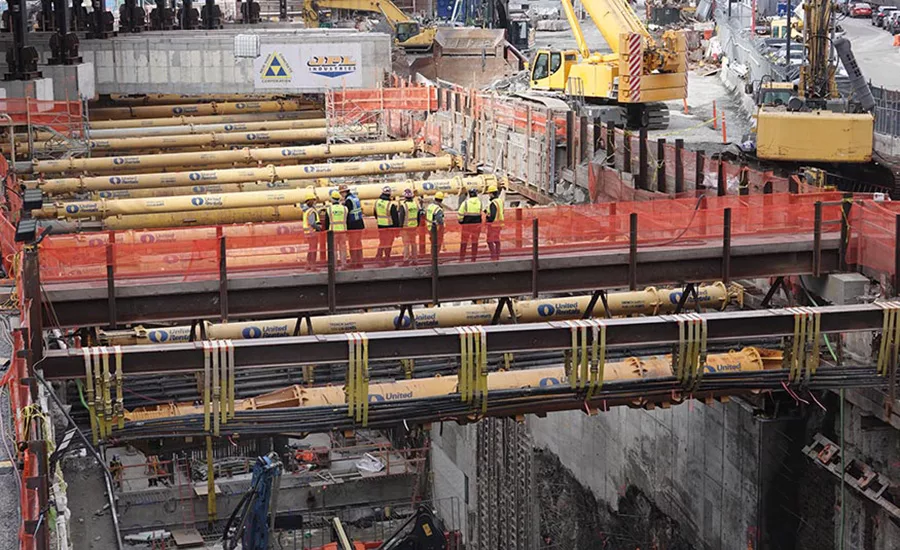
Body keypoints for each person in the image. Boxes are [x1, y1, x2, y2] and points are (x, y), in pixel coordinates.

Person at [340, 183, 365, 268]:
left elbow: (347, 213)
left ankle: (353, 262)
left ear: (343, 192)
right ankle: (360, 261)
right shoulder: (355, 198)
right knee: (358, 243)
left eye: (341, 193)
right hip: (360, 223)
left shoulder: (348, 201)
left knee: (353, 244)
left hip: (353, 224)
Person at [374, 186, 400, 265]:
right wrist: (397, 230)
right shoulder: (390, 205)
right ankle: (387, 260)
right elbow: (395, 218)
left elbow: (375, 214)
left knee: (382, 242)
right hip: (389, 226)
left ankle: (378, 257)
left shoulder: (377, 202)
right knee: (388, 243)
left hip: (380, 225)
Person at [457, 187, 483, 262]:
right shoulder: (479, 203)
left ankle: (462, 258)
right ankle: (473, 258)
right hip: (477, 226)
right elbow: (480, 213)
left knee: (464, 242)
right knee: (475, 242)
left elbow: (460, 214)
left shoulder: (465, 203)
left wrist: (461, 221)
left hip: (466, 225)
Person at [325, 190, 349, 267]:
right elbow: (347, 220)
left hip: (333, 232)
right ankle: (343, 264)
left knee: (333, 249)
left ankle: (334, 265)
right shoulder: (345, 208)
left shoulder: (329, 209)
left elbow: (326, 222)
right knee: (343, 249)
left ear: (332, 199)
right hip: (343, 231)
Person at [399, 188, 420, 264]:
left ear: (405, 197)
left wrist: (400, 228)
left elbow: (401, 217)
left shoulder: (403, 206)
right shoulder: (415, 205)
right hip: (414, 227)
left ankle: (406, 259)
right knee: (413, 243)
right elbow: (418, 216)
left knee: (406, 244)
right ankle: (415, 259)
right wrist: (417, 224)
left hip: (405, 227)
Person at [484, 184, 504, 261]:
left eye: (489, 193)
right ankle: (497, 255)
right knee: (496, 240)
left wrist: (488, 220)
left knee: (489, 240)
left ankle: (493, 255)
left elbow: (492, 215)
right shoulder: (500, 201)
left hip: (493, 225)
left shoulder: (493, 203)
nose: (488, 195)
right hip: (499, 224)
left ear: (492, 193)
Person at [302, 191, 322, 267]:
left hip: (307, 232)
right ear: (310, 201)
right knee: (313, 249)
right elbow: (312, 222)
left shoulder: (305, 210)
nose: (315, 202)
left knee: (310, 249)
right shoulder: (311, 211)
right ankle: (312, 265)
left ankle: (308, 264)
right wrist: (318, 228)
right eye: (313, 200)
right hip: (312, 232)